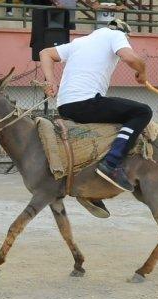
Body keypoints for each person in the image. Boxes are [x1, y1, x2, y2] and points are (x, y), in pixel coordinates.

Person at [39, 18, 152, 198]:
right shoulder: (116, 35)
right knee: (142, 111)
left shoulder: (81, 41)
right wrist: (142, 71)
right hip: (86, 102)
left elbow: (45, 53)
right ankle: (112, 163)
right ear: (124, 34)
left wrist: (51, 80)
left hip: (65, 106)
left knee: (111, 117)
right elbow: (129, 57)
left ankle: (92, 187)